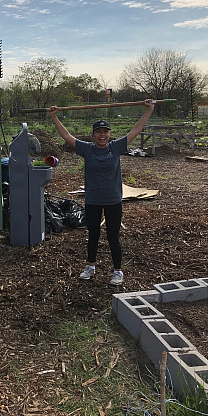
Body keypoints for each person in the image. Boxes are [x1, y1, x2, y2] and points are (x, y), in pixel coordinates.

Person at [49, 100, 155, 285]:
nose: (102, 135)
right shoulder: (87, 149)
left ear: (109, 134)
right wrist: (54, 116)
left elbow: (136, 130)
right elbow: (66, 135)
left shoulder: (116, 147)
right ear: (93, 135)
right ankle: (90, 266)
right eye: (98, 132)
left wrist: (149, 109)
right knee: (93, 234)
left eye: (105, 132)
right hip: (93, 200)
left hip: (113, 199)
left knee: (113, 236)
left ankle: (117, 271)